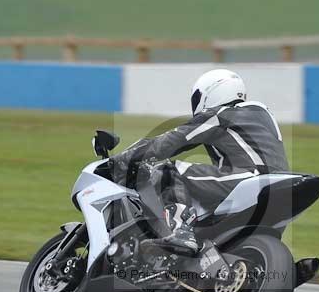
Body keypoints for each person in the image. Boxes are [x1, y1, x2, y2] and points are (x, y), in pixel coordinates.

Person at [109, 69, 289, 256]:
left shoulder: (219, 115)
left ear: (211, 92)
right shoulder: (264, 115)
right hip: (278, 186)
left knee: (170, 170)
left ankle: (181, 231)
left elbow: (173, 140)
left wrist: (124, 158)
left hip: (250, 178)